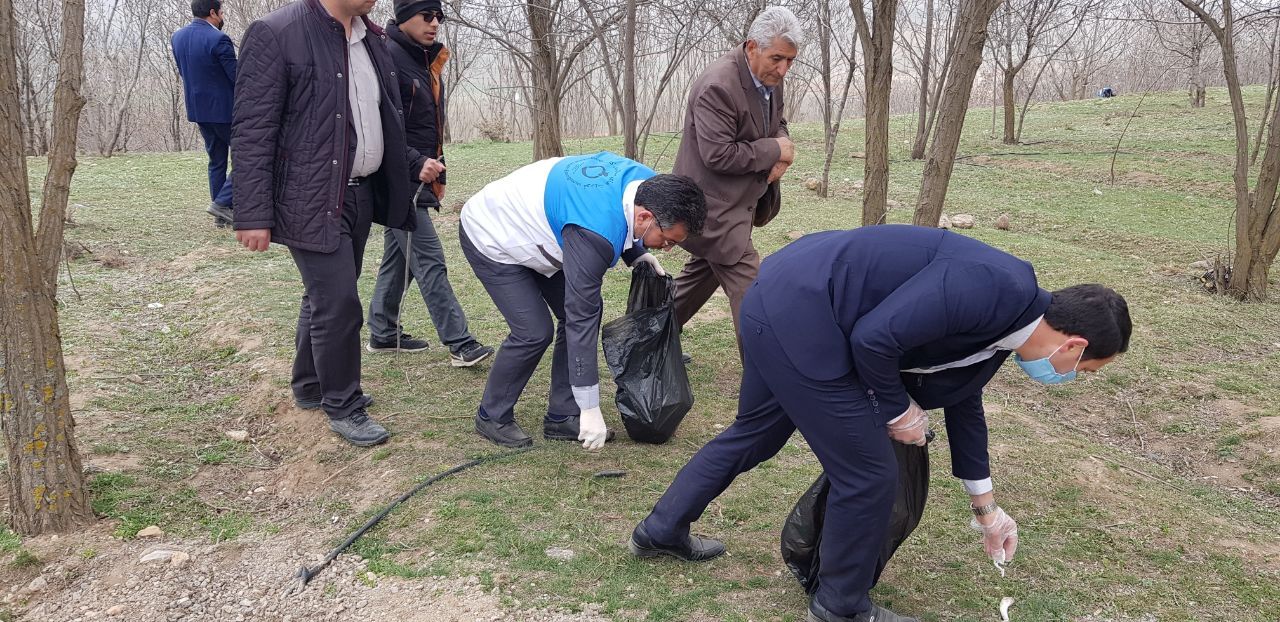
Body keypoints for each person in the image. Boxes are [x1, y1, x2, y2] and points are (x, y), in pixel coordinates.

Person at [630, 225, 1132, 622]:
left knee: (756, 433)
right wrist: (897, 408)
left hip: (781, 300)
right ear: (1074, 347)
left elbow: (963, 400)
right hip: (804, 311)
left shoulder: (1009, 322)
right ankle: (840, 606)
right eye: (1084, 372)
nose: (1073, 378)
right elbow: (873, 340)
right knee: (869, 474)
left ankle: (660, 529)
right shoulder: (996, 288)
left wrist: (987, 511)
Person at [232, 0, 439, 447]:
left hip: (362, 194)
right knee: (341, 302)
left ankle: (309, 385)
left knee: (326, 296)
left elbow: (380, 122)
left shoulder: (374, 41)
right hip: (310, 196)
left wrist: (411, 162)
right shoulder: (277, 32)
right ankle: (344, 403)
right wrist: (250, 212)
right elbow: (252, 129)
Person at [459, 152, 706, 449]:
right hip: (493, 233)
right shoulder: (594, 233)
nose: (668, 249)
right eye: (668, 240)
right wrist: (591, 409)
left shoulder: (649, 186)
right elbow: (580, 315)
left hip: (547, 226)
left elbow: (622, 218)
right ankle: (492, 414)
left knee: (581, 310)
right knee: (534, 331)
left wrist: (637, 252)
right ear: (645, 218)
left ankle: (562, 414)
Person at [364, 0, 494, 367]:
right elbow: (381, 125)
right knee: (429, 258)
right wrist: (414, 161)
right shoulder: (387, 56)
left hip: (419, 174)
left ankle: (383, 332)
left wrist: (430, 161)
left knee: (398, 258)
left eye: (439, 16)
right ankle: (460, 342)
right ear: (404, 17)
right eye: (426, 15)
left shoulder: (423, 58)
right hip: (399, 178)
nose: (435, 22)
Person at [671, 7, 800, 356]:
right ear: (752, 46)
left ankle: (645, 340)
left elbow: (778, 122)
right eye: (777, 58)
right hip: (711, 209)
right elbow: (719, 155)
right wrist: (774, 149)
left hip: (738, 206)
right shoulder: (718, 86)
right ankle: (765, 379)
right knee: (753, 292)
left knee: (701, 276)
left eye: (790, 60)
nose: (783, 69)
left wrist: (782, 149)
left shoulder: (771, 77)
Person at [171, 0, 238, 227]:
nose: (222, 16)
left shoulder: (177, 37)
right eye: (221, 12)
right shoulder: (219, 39)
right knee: (247, 158)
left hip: (199, 110)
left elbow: (185, 72)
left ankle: (222, 216)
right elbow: (236, 78)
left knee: (216, 161)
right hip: (225, 111)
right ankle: (221, 204)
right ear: (213, 13)